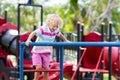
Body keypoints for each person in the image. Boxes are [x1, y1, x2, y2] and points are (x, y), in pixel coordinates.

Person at [25, 14, 69, 80]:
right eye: (54, 26)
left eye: (56, 27)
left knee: (46, 69)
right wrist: (28, 40)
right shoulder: (43, 29)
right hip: (37, 51)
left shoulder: (56, 30)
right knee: (38, 68)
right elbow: (33, 33)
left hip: (46, 52)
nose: (55, 28)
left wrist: (66, 40)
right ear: (49, 23)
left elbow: (60, 35)